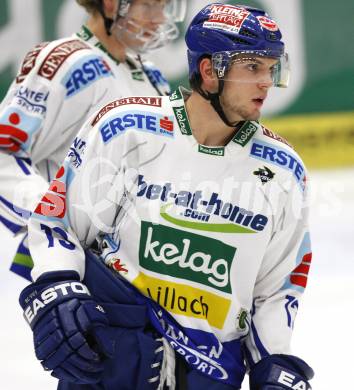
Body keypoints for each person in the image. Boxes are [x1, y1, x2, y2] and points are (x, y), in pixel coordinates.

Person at [19, 3, 314, 389]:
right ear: (210, 72)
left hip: (210, 373)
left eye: (272, 68)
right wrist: (55, 287)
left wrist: (275, 361)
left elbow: (277, 289)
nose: (267, 82)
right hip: (111, 361)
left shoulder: (283, 171)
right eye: (253, 68)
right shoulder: (124, 128)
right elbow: (58, 221)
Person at [0, 0, 186, 280]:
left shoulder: (151, 75)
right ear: (112, 5)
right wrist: (50, 220)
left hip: (125, 269)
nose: (159, 19)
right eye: (149, 6)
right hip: (65, 263)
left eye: (164, 6)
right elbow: (5, 150)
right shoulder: (67, 60)